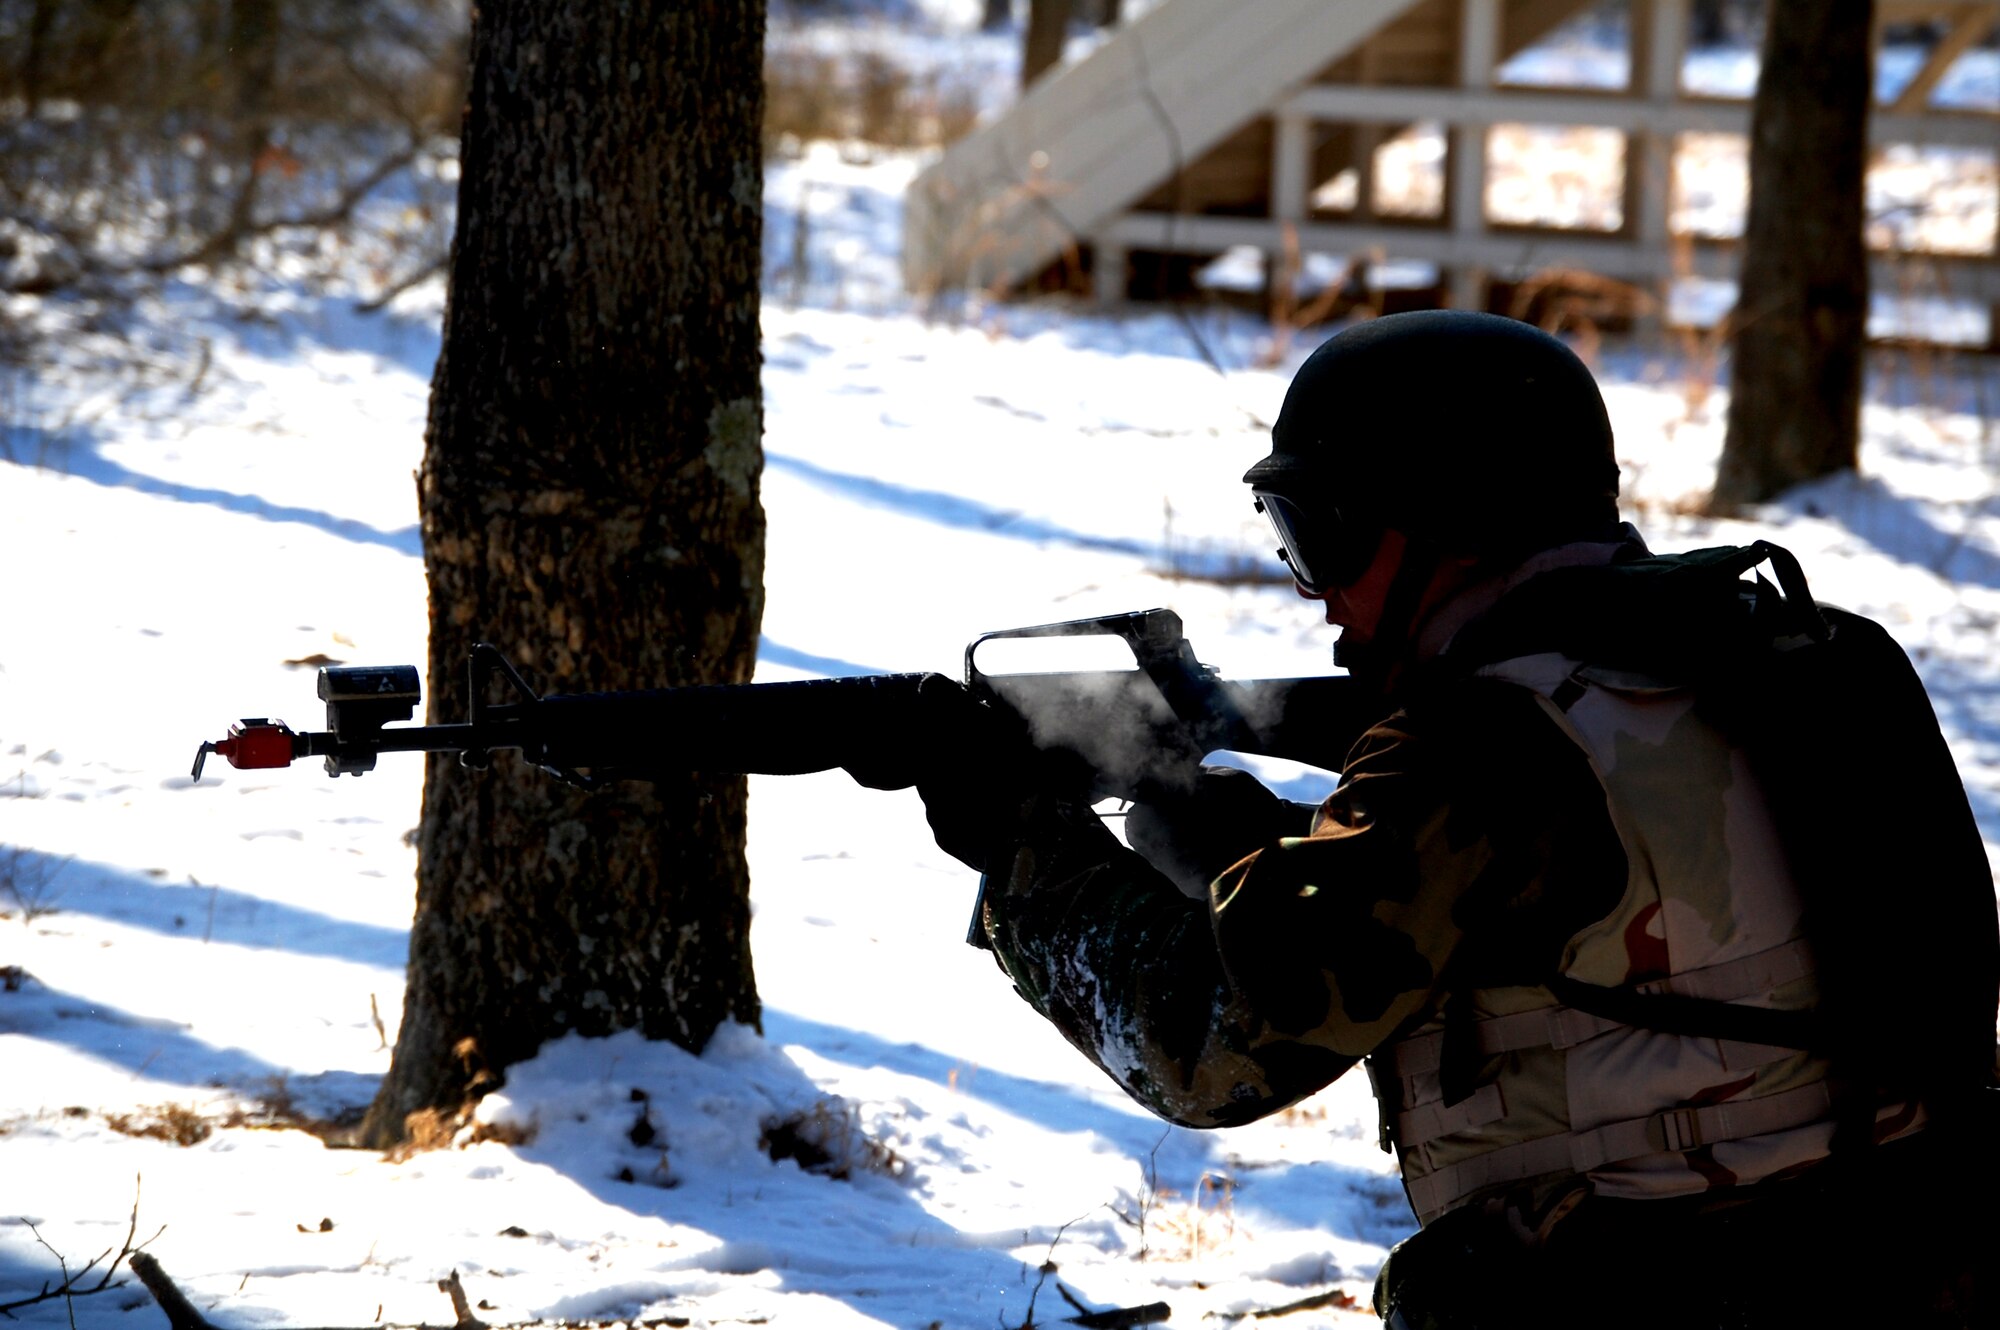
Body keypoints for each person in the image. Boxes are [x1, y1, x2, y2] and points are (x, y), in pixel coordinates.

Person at [911, 311, 1998, 1328]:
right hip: (1903, 1248)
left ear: (1446, 519)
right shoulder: (1803, 656)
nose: (1317, 594)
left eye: (1323, 535)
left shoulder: (1477, 745)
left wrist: (1026, 853)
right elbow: (1604, 922)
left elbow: (1207, 1044)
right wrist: (1247, 846)